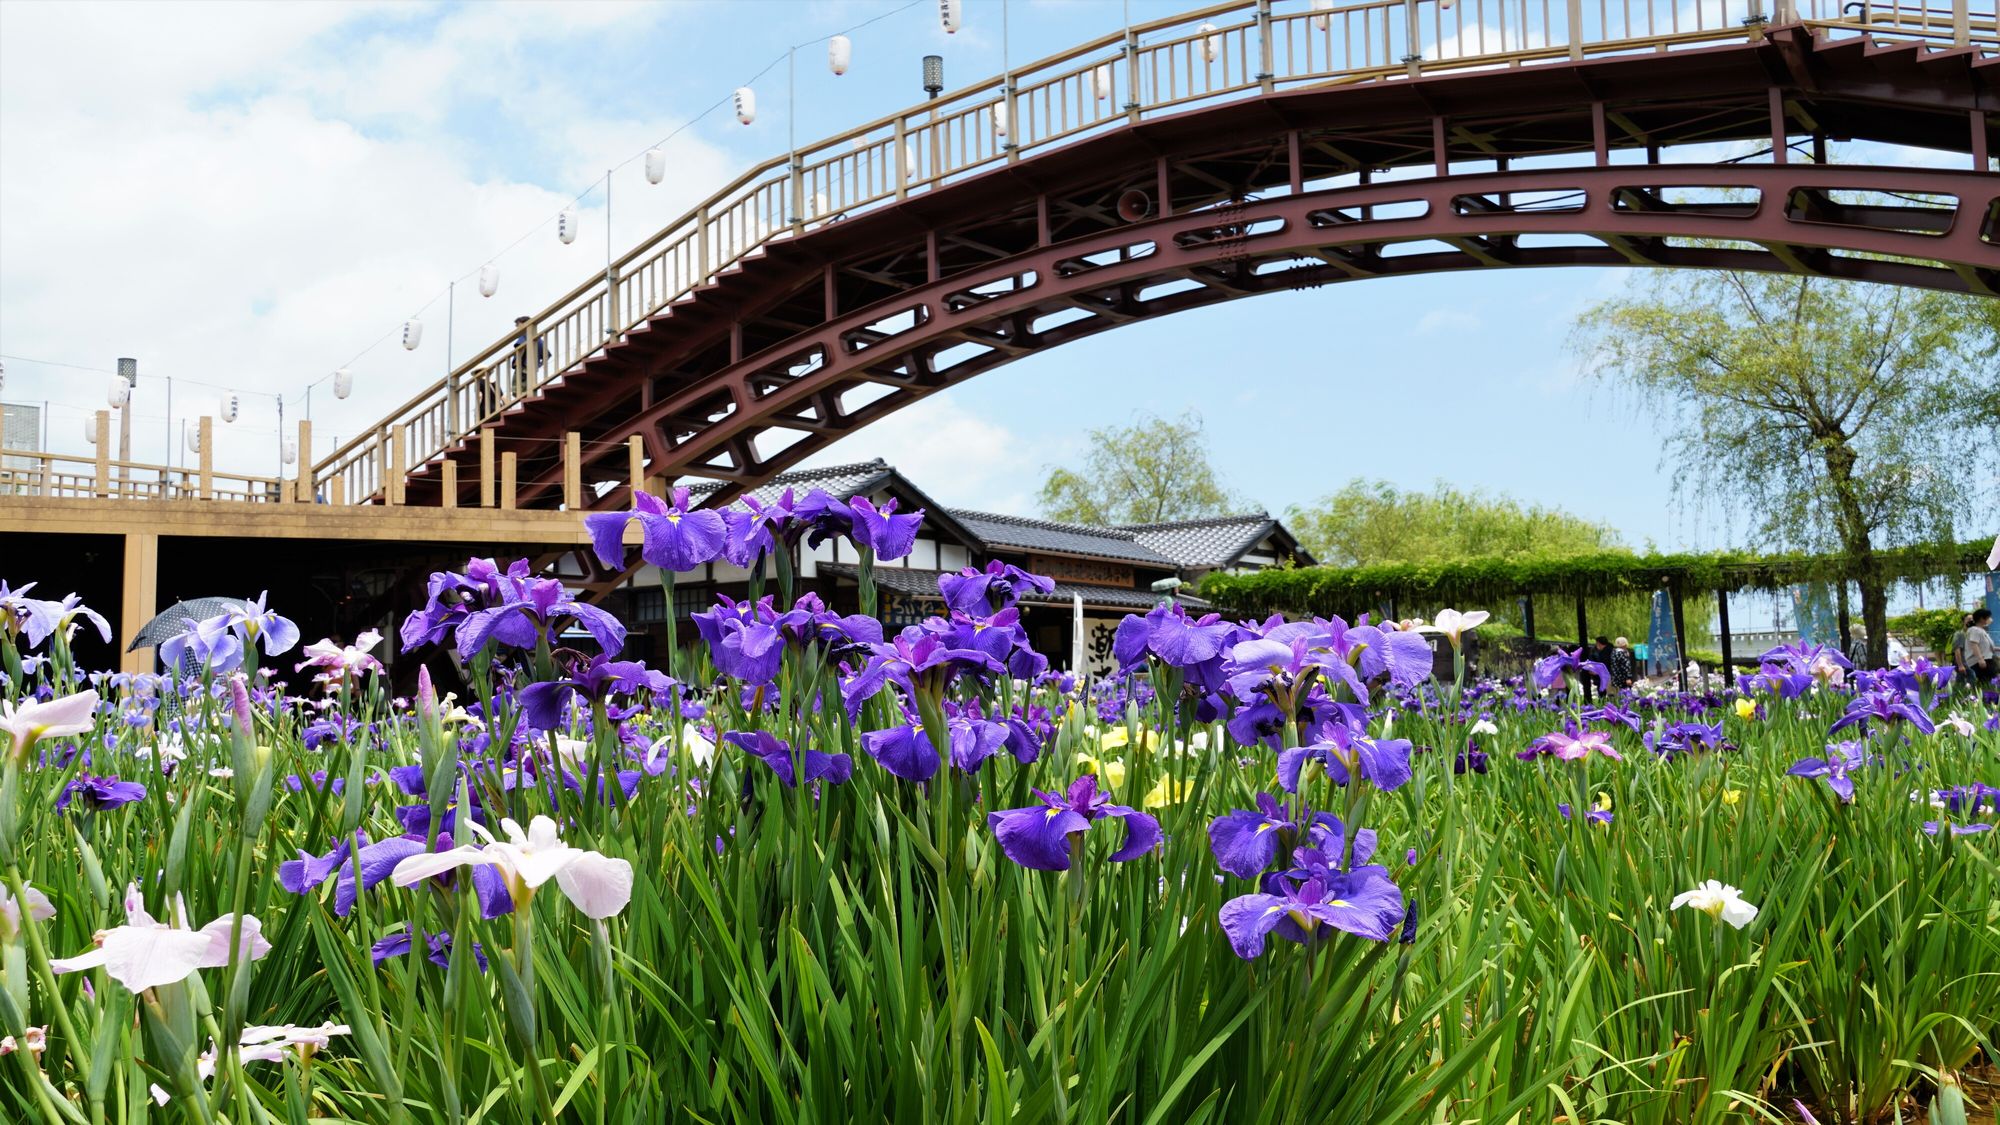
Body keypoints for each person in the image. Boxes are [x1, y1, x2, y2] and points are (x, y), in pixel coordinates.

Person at [1964, 608, 1997, 686]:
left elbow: (1987, 647)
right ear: (1982, 619)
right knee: (1987, 682)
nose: (1990, 619)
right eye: (1988, 617)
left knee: (1990, 682)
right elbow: (1974, 644)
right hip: (1980, 661)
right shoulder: (1974, 630)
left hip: (1987, 659)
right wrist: (1980, 659)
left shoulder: (1981, 630)